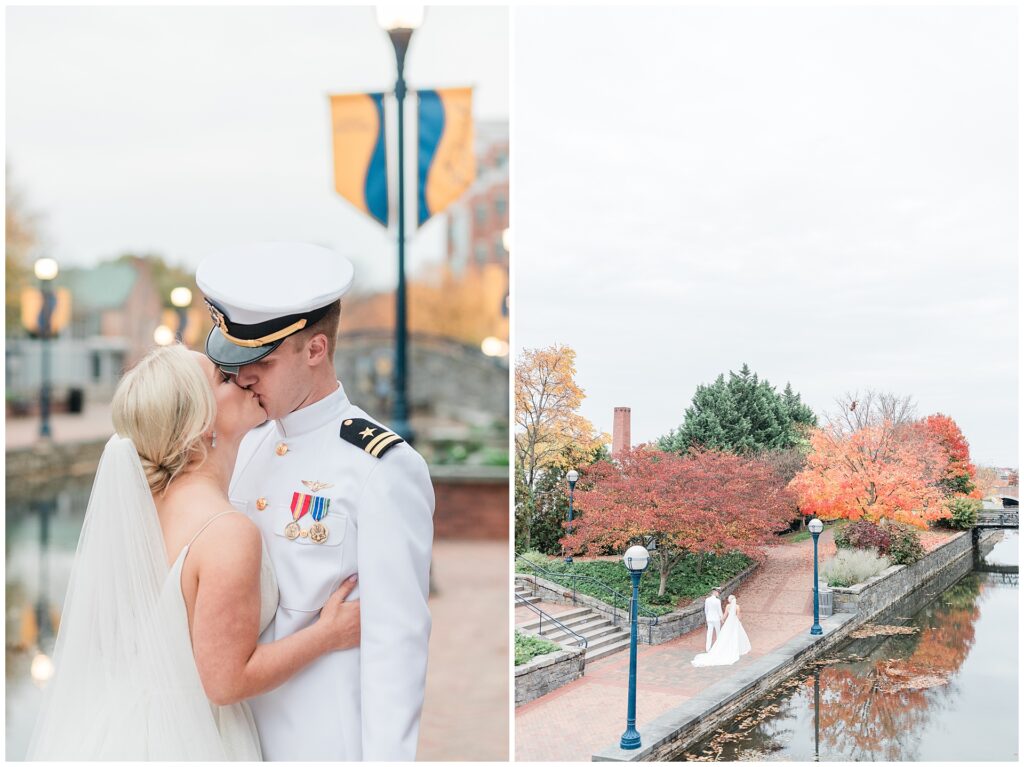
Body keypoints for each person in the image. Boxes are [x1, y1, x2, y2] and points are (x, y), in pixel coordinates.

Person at [27, 345, 362, 760]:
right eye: (223, 378)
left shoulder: (143, 506)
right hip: (189, 741)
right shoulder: (227, 533)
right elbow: (225, 683)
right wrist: (327, 635)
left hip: (125, 728)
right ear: (202, 423)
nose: (243, 378)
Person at [196, 242, 435, 761]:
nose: (244, 376)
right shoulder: (247, 442)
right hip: (234, 743)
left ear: (315, 350)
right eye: (236, 360)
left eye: (262, 360)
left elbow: (397, 646)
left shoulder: (382, 468)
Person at [691, 594, 752, 667]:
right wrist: (738, 619)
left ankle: (718, 648)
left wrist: (722, 620)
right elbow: (739, 616)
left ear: (730, 600)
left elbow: (725, 615)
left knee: (726, 635)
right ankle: (736, 649)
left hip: (729, 622)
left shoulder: (728, 606)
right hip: (735, 622)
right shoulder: (737, 607)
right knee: (735, 635)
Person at [703, 587, 724, 651]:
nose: (718, 594)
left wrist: (707, 618)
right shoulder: (717, 601)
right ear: (714, 592)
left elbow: (706, 610)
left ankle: (707, 648)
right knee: (718, 632)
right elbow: (719, 610)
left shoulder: (707, 600)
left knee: (709, 633)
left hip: (709, 618)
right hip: (716, 618)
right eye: (718, 592)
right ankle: (718, 647)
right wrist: (722, 618)